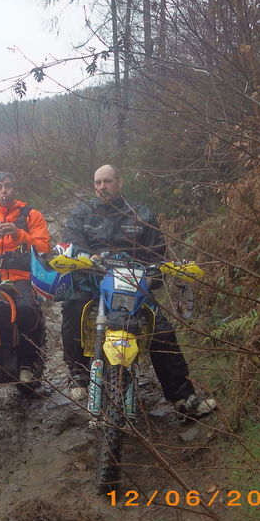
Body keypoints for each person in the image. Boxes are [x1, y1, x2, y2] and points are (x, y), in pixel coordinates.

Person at [60, 164, 218, 420]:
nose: (103, 187)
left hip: (132, 284)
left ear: (120, 183)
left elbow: (156, 253)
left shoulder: (141, 214)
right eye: (98, 182)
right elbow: (71, 243)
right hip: (94, 280)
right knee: (72, 306)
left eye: (108, 181)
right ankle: (78, 374)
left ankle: (182, 397)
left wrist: (152, 273)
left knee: (161, 326)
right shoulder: (82, 213)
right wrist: (87, 257)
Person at [0, 171, 51, 390]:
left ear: (15, 189)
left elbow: (44, 248)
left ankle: (28, 364)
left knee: (26, 309)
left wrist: (20, 234)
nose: (4, 191)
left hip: (20, 277)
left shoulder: (31, 215)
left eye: (8, 186)